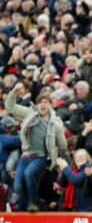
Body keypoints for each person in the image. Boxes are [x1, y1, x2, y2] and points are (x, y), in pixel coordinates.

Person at [6, 83, 71, 212]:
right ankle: (29, 204)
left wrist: (67, 160)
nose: (43, 104)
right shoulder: (30, 114)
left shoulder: (56, 123)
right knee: (18, 187)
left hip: (41, 157)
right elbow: (11, 107)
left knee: (29, 174)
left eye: (46, 102)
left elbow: (62, 144)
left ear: (50, 105)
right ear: (37, 105)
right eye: (40, 102)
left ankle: (33, 202)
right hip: (26, 156)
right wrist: (13, 92)